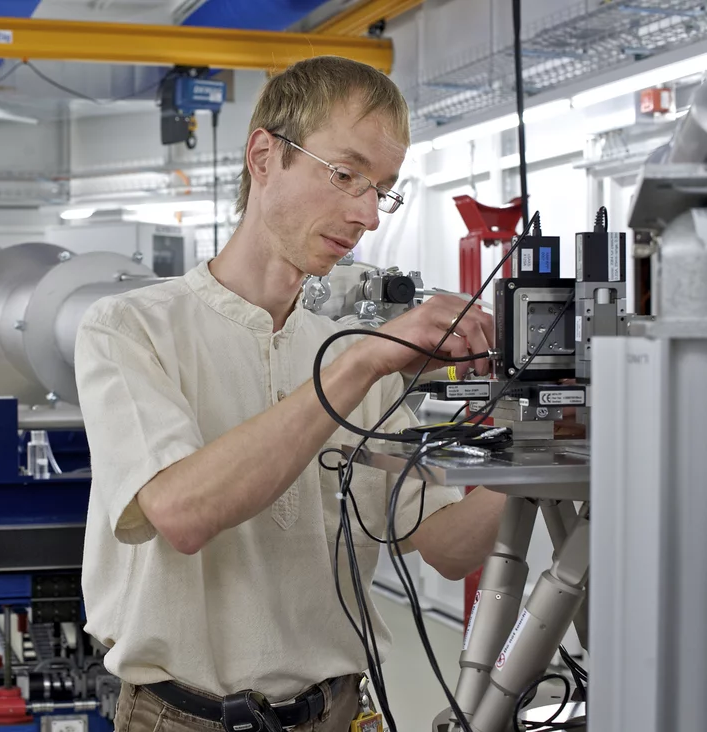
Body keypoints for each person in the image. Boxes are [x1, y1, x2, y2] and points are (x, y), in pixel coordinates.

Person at [74, 56, 505, 732]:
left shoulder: (345, 354)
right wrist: (363, 361)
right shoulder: (131, 329)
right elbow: (182, 512)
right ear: (264, 156)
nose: (366, 214)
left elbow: (448, 548)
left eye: (382, 190)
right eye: (345, 174)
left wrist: (545, 447)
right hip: (184, 720)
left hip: (337, 711)